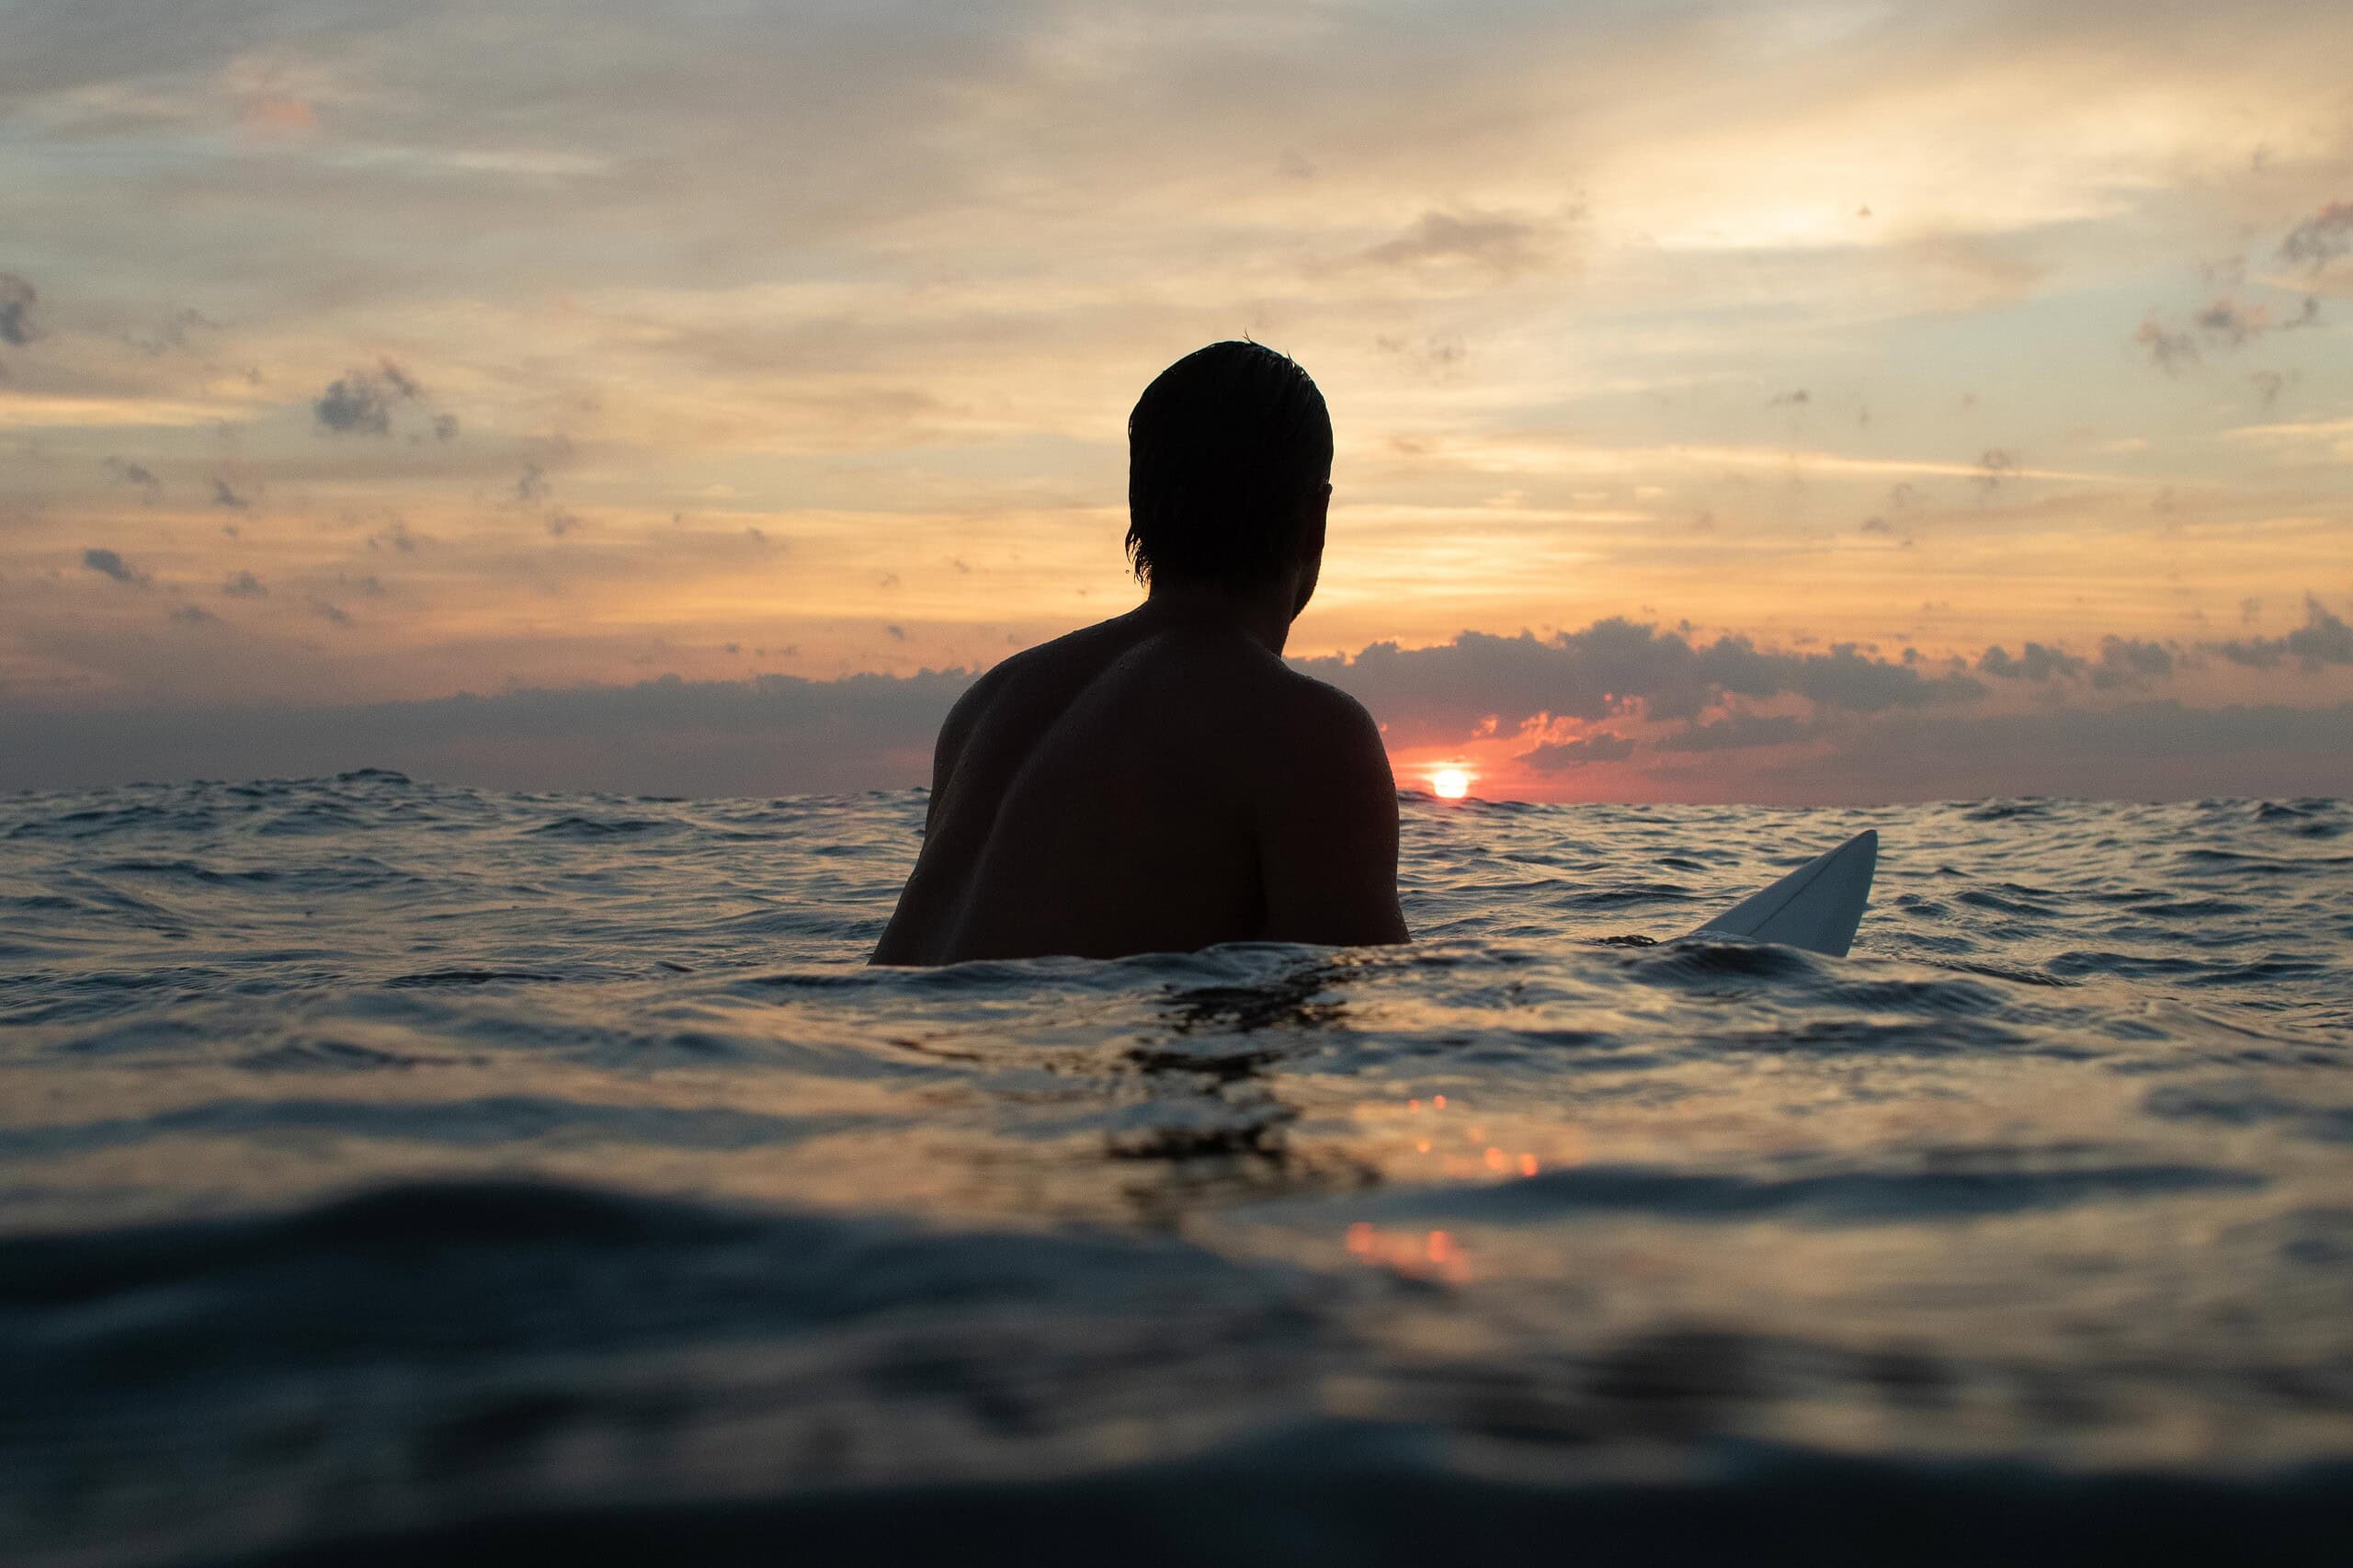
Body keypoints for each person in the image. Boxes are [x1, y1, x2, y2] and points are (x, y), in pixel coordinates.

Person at [870, 341, 1410, 965]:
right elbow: (1361, 1024)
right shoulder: (1305, 732)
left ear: (1139, 506)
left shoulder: (988, 706)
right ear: (1314, 518)